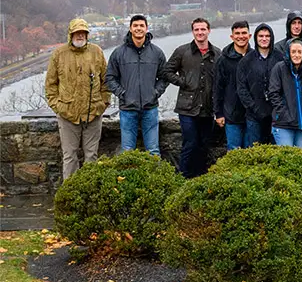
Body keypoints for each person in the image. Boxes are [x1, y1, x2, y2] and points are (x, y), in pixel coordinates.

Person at [45, 18, 110, 180]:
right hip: (67, 115)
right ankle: (69, 195)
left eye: (83, 32)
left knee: (91, 156)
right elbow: (50, 85)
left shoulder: (97, 52)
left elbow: (106, 81)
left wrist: (103, 104)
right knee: (69, 156)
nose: (80, 36)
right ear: (70, 34)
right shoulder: (58, 54)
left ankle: (89, 192)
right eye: (77, 33)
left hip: (93, 113)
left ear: (87, 34)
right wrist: (58, 106)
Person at [164, 18, 221, 177]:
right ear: (193, 32)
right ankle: (184, 177)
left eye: (203, 29)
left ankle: (201, 178)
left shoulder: (217, 53)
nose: (200, 32)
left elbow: (221, 80)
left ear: (209, 31)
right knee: (190, 143)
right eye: (197, 30)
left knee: (204, 145)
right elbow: (167, 71)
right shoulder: (182, 52)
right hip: (187, 108)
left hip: (207, 108)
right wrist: (183, 82)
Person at [106, 14, 168, 155]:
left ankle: (156, 177)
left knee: (153, 150)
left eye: (141, 26)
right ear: (130, 28)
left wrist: (155, 93)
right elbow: (110, 78)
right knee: (127, 152)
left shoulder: (156, 53)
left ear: (147, 28)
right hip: (127, 109)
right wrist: (122, 93)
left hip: (150, 108)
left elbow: (164, 77)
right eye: (135, 26)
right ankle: (128, 178)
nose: (138, 28)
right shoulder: (118, 53)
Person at [237, 23, 280, 147]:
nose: (264, 39)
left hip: (275, 115)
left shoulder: (279, 58)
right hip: (253, 115)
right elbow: (242, 88)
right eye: (261, 36)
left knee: (275, 151)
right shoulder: (246, 61)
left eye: (267, 36)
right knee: (254, 151)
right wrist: (253, 107)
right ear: (255, 38)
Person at [213, 21, 251, 150]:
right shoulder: (223, 60)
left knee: (252, 150)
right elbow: (218, 87)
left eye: (244, 33)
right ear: (232, 37)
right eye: (237, 33)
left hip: (252, 114)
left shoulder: (254, 57)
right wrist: (218, 113)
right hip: (231, 114)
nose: (241, 36)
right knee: (234, 150)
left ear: (250, 36)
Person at [269, 39, 302, 148]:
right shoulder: (279, 68)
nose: (296, 55)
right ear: (288, 53)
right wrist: (284, 114)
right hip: (283, 124)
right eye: (293, 52)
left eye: (299, 52)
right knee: (286, 158)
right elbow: (273, 93)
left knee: (301, 159)